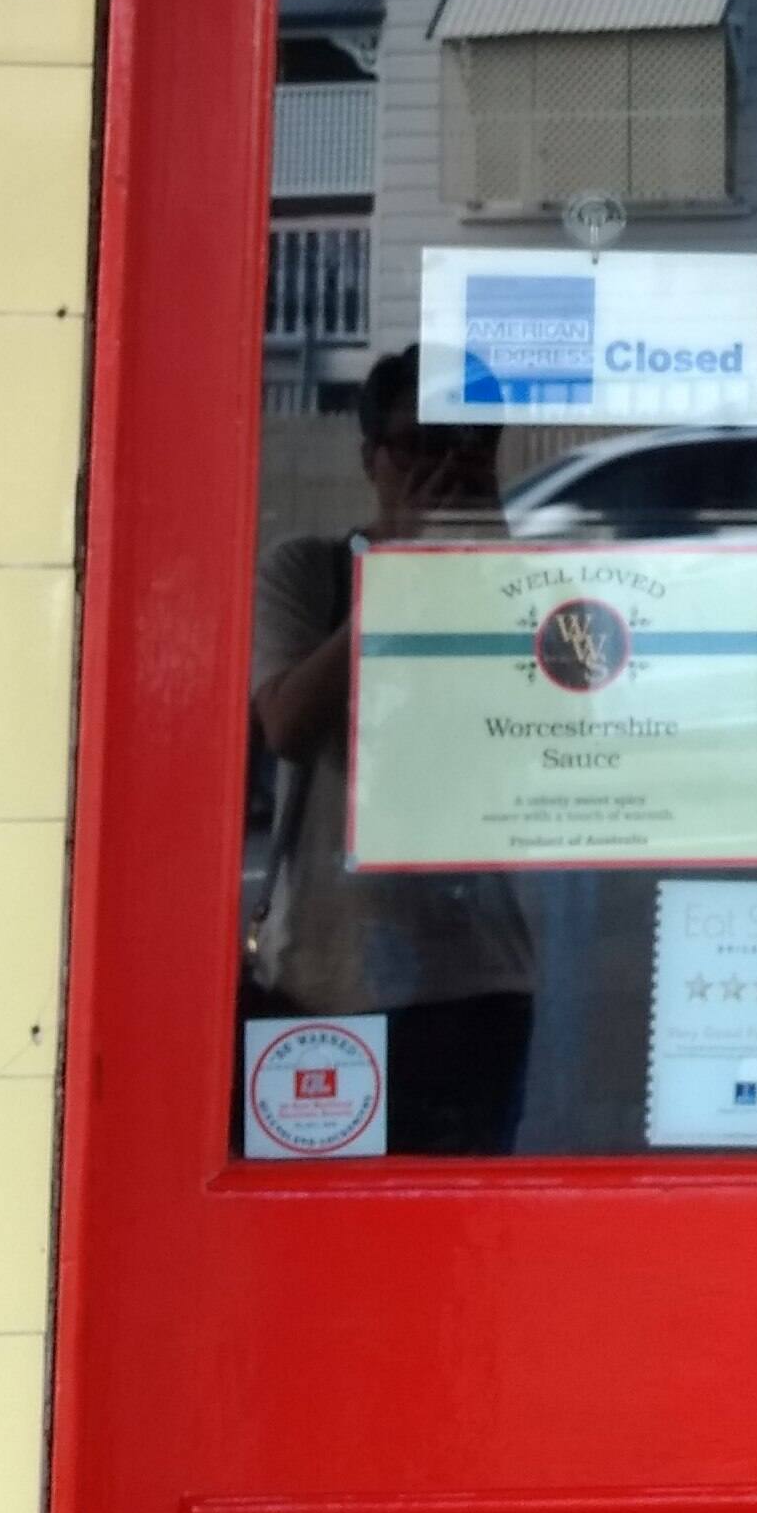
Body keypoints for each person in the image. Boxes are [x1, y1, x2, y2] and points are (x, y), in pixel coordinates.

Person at [248, 350, 538, 1150]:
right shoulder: (311, 572)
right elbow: (287, 727)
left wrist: (499, 572)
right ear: (370, 458)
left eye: (465, 447)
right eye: (418, 447)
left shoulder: (518, 584)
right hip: (327, 974)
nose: (442, 470)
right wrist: (401, 570)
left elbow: (563, 739)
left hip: (477, 974)